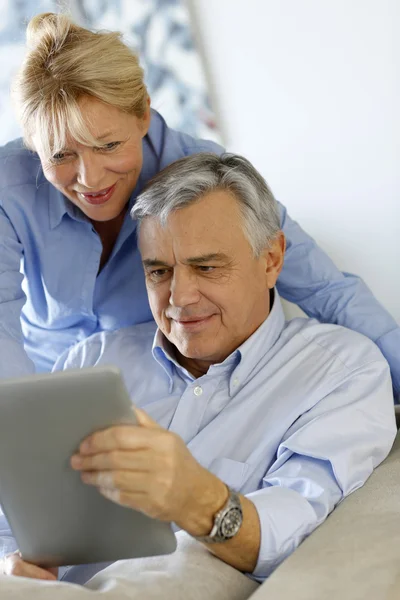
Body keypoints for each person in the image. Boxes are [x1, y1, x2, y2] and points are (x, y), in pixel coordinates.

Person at [1, 153, 396, 599]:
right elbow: (15, 514)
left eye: (207, 267)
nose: (180, 297)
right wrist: (13, 559)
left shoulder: (341, 372)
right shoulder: (89, 361)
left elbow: (298, 519)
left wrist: (197, 498)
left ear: (272, 259)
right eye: (159, 272)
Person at [0, 12, 398, 399]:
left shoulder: (209, 179)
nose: (90, 178)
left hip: (155, 389)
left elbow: (326, 290)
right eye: (60, 155)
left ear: (142, 115)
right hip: (37, 383)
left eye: (109, 146)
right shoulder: (10, 184)